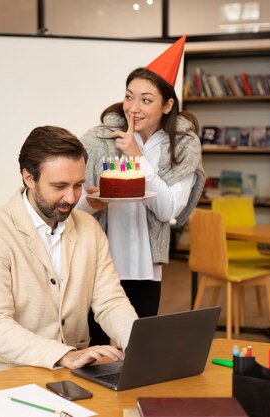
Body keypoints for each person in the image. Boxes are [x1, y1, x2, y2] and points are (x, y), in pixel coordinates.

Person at [0, 125, 138, 377]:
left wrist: (139, 343)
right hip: (1, 374)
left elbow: (110, 302)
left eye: (78, 185)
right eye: (59, 186)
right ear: (29, 177)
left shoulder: (90, 229)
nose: (71, 197)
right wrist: (65, 355)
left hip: (68, 373)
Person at [76, 35, 205, 345]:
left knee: (138, 349)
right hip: (101, 266)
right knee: (97, 350)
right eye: (129, 96)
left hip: (147, 270)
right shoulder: (98, 140)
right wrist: (91, 202)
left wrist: (137, 156)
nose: (134, 108)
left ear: (167, 104)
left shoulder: (183, 147)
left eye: (146, 100)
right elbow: (75, 206)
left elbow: (168, 209)